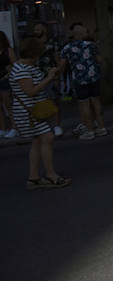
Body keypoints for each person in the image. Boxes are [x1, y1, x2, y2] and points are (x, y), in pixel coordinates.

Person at [9, 37, 70, 189]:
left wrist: (49, 74)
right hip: (28, 112)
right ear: (34, 53)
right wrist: (49, 78)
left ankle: (34, 178)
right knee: (47, 137)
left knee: (37, 141)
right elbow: (30, 91)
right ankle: (50, 175)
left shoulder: (27, 67)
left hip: (33, 110)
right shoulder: (21, 70)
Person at [60, 23, 106, 140]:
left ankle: (89, 130)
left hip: (79, 79)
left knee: (84, 105)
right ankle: (101, 128)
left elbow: (62, 66)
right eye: (85, 32)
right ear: (81, 34)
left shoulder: (67, 48)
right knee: (96, 102)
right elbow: (99, 60)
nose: (87, 33)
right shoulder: (91, 45)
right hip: (93, 77)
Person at [31, 23, 63, 137]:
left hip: (51, 75)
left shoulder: (52, 42)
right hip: (37, 76)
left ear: (44, 30)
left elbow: (57, 58)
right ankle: (45, 126)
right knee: (41, 102)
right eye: (35, 29)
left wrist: (58, 74)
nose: (36, 31)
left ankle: (57, 125)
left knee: (54, 100)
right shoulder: (33, 43)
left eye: (38, 29)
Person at [0, 31, 17, 138]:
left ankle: (15, 128)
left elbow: (14, 64)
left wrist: (9, 74)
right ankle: (2, 128)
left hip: (5, 79)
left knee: (8, 104)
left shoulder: (8, 50)